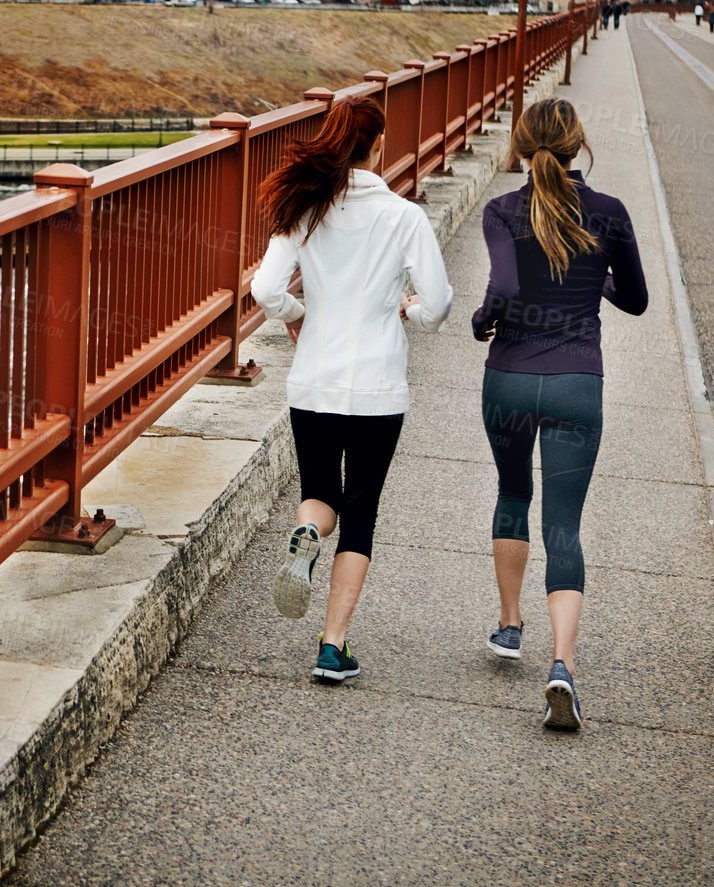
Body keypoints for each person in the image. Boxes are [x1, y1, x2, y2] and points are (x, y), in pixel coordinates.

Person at [254, 96, 453, 685]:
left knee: (320, 494)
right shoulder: (404, 217)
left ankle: (308, 534)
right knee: (361, 509)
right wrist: (409, 309)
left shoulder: (307, 209)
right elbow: (439, 305)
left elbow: (264, 287)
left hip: (312, 381)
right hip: (375, 390)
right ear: (379, 145)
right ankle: (332, 646)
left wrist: (297, 312)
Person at [472, 98, 648, 731]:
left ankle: (510, 626)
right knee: (564, 525)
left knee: (512, 491)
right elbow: (636, 300)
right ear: (579, 145)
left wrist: (481, 323)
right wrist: (593, 278)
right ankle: (562, 667)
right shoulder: (610, 213)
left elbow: (506, 292)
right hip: (578, 382)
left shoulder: (502, 210)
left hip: (511, 381)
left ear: (520, 149)